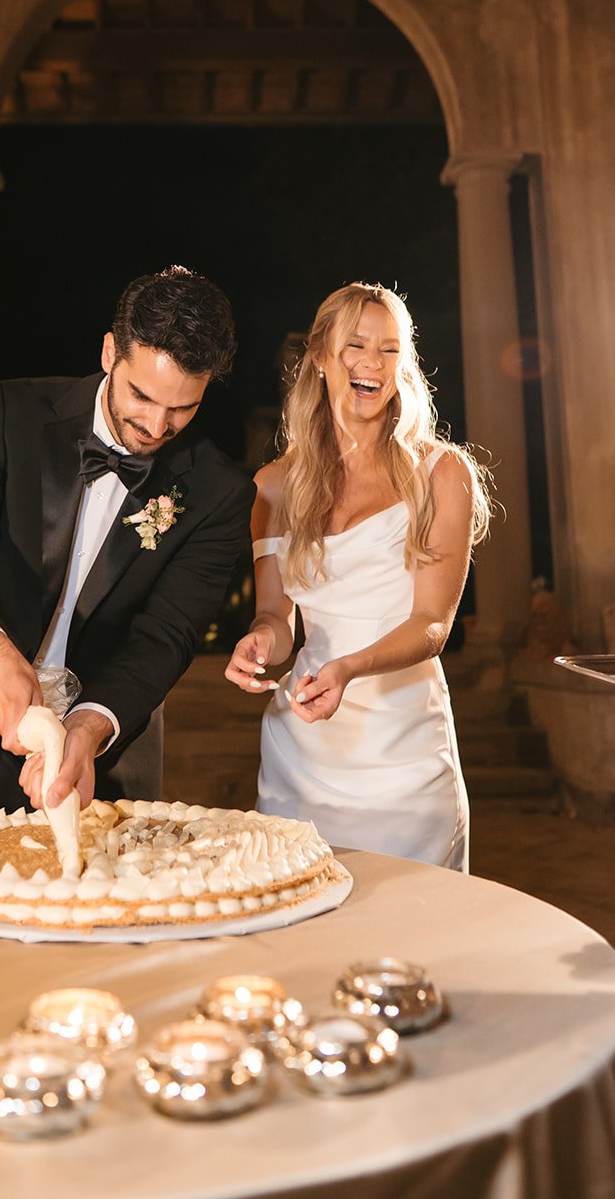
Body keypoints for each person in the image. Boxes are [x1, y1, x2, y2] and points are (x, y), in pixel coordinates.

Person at [0, 266, 255, 821]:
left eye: (183, 408)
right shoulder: (9, 415)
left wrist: (87, 729)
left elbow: (167, 635)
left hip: (104, 762)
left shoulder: (219, 491)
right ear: (110, 352)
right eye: (142, 395)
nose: (157, 427)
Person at [224, 282, 490, 867]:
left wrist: (351, 667)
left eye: (390, 350)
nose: (372, 363)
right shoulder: (271, 487)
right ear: (320, 356)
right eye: (356, 345)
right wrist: (260, 642)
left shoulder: (442, 474)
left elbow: (432, 624)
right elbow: (277, 617)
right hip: (302, 747)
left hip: (404, 754)